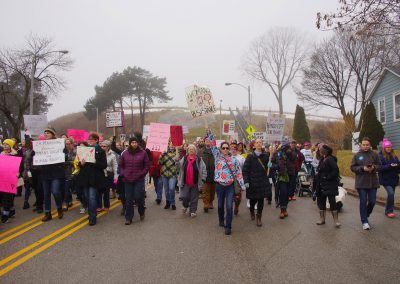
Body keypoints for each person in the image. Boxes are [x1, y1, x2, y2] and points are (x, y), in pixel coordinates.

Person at [207, 130, 245, 235]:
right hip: (219, 186)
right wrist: (209, 132)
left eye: (227, 148)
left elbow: (238, 173)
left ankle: (228, 226)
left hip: (230, 187)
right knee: (220, 206)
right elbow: (212, 143)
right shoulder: (217, 157)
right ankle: (221, 220)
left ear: (229, 149)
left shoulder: (234, 160)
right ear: (220, 149)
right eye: (223, 148)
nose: (225, 149)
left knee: (229, 206)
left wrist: (242, 185)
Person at [350, 137, 382, 230]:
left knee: (372, 201)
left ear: (370, 145)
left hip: (373, 182)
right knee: (363, 201)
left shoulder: (374, 154)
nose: (365, 146)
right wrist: (362, 168)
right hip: (361, 182)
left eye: (367, 144)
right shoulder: (357, 155)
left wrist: (373, 168)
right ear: (361, 145)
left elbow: (379, 165)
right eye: (364, 144)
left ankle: (366, 213)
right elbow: (352, 167)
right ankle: (364, 221)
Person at [76, 133, 107, 226]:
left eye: (92, 139)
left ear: (97, 140)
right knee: (86, 197)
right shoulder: (84, 150)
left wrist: (95, 162)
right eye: (89, 139)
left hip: (95, 178)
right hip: (85, 177)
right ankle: (91, 213)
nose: (90, 141)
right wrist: (81, 163)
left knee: (92, 197)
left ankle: (93, 217)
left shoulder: (100, 151)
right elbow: (78, 164)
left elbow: (104, 165)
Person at [119, 136, 149, 225]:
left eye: (135, 142)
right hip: (127, 179)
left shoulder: (143, 153)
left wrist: (142, 173)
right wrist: (123, 173)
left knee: (138, 197)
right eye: (132, 142)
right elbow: (121, 165)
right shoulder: (125, 153)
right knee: (128, 199)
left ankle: (141, 211)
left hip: (138, 179)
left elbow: (146, 165)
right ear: (130, 143)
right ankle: (128, 218)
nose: (134, 144)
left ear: (137, 143)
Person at [242, 138, 271, 227]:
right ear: (254, 145)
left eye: (260, 142)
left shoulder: (266, 156)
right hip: (252, 182)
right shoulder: (250, 156)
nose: (259, 144)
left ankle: (259, 218)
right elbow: (245, 170)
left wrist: (271, 166)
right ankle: (251, 210)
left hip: (262, 182)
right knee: (253, 200)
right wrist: (246, 181)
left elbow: (268, 169)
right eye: (257, 142)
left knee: (261, 200)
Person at [40, 128, 66, 222]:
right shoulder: (41, 144)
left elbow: (64, 154)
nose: (46, 134)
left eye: (48, 133)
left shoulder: (58, 144)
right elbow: (35, 155)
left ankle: (59, 208)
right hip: (45, 172)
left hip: (56, 172)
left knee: (55, 191)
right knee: (46, 193)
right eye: (45, 133)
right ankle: (47, 213)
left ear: (52, 134)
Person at [177, 144, 207, 217]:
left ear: (195, 151)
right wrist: (176, 161)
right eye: (189, 149)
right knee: (184, 196)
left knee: (194, 197)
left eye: (192, 149)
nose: (191, 150)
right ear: (187, 150)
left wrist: (203, 179)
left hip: (196, 182)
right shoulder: (184, 159)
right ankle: (185, 205)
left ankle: (193, 211)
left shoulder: (199, 160)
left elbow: (204, 169)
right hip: (185, 182)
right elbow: (178, 168)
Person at [315, 145, 341, 228]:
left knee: (332, 201)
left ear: (325, 151)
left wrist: (328, 177)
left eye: (321, 150)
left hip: (329, 184)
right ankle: (322, 219)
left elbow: (335, 170)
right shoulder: (323, 159)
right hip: (321, 184)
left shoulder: (330, 159)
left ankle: (336, 221)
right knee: (321, 201)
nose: (320, 151)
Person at [1, 139, 22, 223]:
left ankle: (5, 215)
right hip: (2, 178)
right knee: (3, 196)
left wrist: (18, 173)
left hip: (11, 179)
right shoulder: (1, 155)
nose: (5, 146)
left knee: (8, 196)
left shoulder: (15, 155)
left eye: (7, 144)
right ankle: (12, 209)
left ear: (10, 146)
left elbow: (21, 166)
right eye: (4, 144)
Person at [272, 143, 295, 219]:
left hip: (290, 175)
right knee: (283, 192)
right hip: (281, 176)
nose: (286, 149)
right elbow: (272, 163)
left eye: (288, 148)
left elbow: (294, 159)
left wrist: (290, 152)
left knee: (288, 193)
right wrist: (276, 166)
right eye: (285, 148)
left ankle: (285, 209)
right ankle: (282, 210)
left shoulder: (291, 153)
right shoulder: (277, 153)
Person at [378, 138, 400, 218]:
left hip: (394, 179)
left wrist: (397, 166)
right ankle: (389, 211)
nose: (389, 148)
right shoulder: (380, 156)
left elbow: (398, 167)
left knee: (391, 195)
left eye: (390, 147)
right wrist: (390, 166)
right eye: (387, 147)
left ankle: (388, 210)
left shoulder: (394, 156)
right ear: (384, 148)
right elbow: (379, 168)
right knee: (390, 193)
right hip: (385, 179)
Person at [158, 142, 180, 210]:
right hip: (164, 174)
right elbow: (159, 163)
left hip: (172, 174)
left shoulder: (176, 153)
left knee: (171, 188)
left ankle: (173, 203)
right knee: (166, 190)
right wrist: (161, 155)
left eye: (173, 145)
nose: (172, 146)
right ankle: (168, 202)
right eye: (171, 144)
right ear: (168, 145)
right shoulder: (164, 152)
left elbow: (178, 166)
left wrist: (177, 161)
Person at [99, 140, 118, 212]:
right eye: (101, 146)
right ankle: (99, 205)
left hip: (108, 174)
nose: (102, 147)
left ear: (108, 147)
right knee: (99, 191)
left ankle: (106, 205)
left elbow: (115, 166)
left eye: (104, 146)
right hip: (100, 174)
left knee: (106, 191)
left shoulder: (112, 155)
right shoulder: (98, 153)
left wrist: (116, 177)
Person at [200, 138, 216, 212]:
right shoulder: (201, 152)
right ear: (204, 142)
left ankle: (210, 202)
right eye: (206, 141)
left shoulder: (215, 152)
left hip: (214, 174)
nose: (208, 142)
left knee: (212, 190)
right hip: (205, 174)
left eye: (209, 141)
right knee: (205, 190)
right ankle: (205, 204)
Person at [230, 141, 245, 215]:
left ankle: (236, 206)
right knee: (229, 195)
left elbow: (244, 169)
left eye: (235, 148)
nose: (233, 149)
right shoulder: (227, 157)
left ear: (237, 149)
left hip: (238, 179)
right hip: (229, 179)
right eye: (231, 148)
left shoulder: (241, 158)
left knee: (238, 195)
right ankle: (229, 207)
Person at [62, 137, 76, 211]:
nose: (67, 145)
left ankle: (67, 201)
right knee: (66, 188)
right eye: (66, 144)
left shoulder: (75, 151)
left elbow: (74, 161)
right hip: (65, 172)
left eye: (68, 144)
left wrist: (66, 162)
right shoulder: (64, 151)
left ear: (72, 143)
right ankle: (67, 202)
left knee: (73, 189)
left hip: (73, 172)